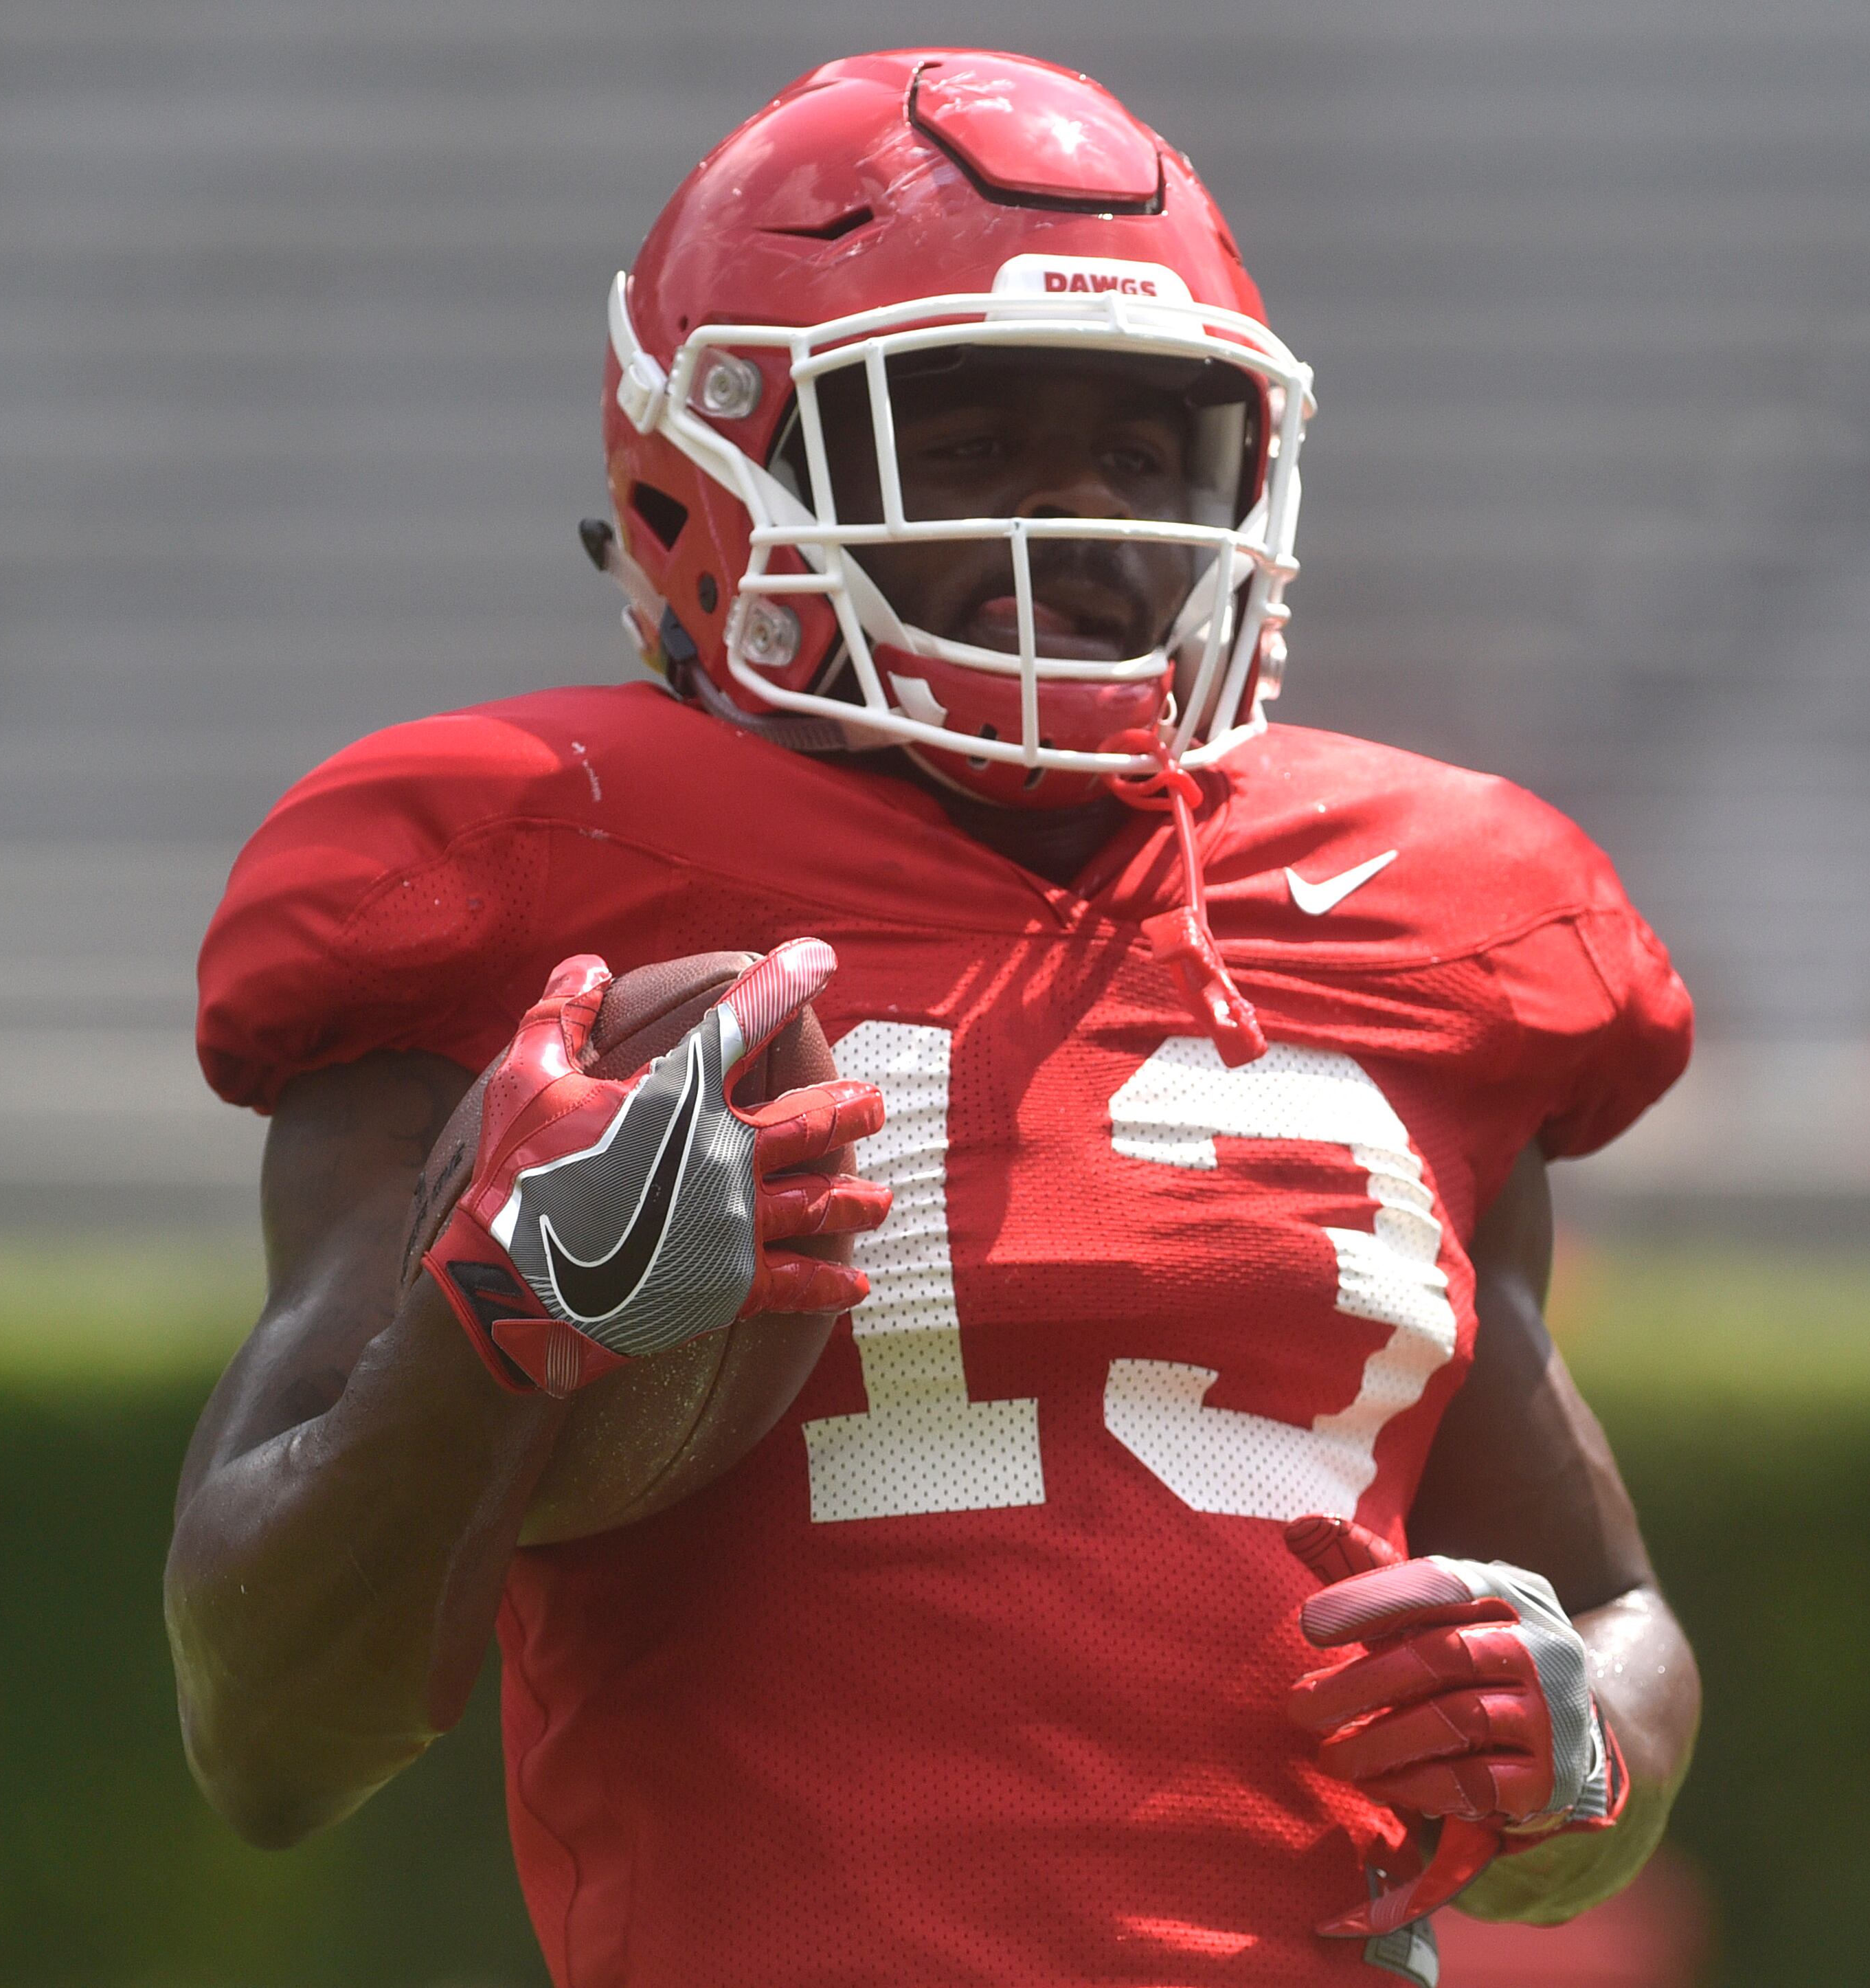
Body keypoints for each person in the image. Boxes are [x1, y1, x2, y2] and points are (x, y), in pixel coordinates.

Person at [167, 50, 1698, 1988]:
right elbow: (272, 1730)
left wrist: (1584, 1741)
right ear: (701, 472)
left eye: (1145, 452)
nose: (1082, 516)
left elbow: (1617, 1608)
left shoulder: (1429, 914)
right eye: (962, 441)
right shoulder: (534, 885)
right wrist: (496, 1320)